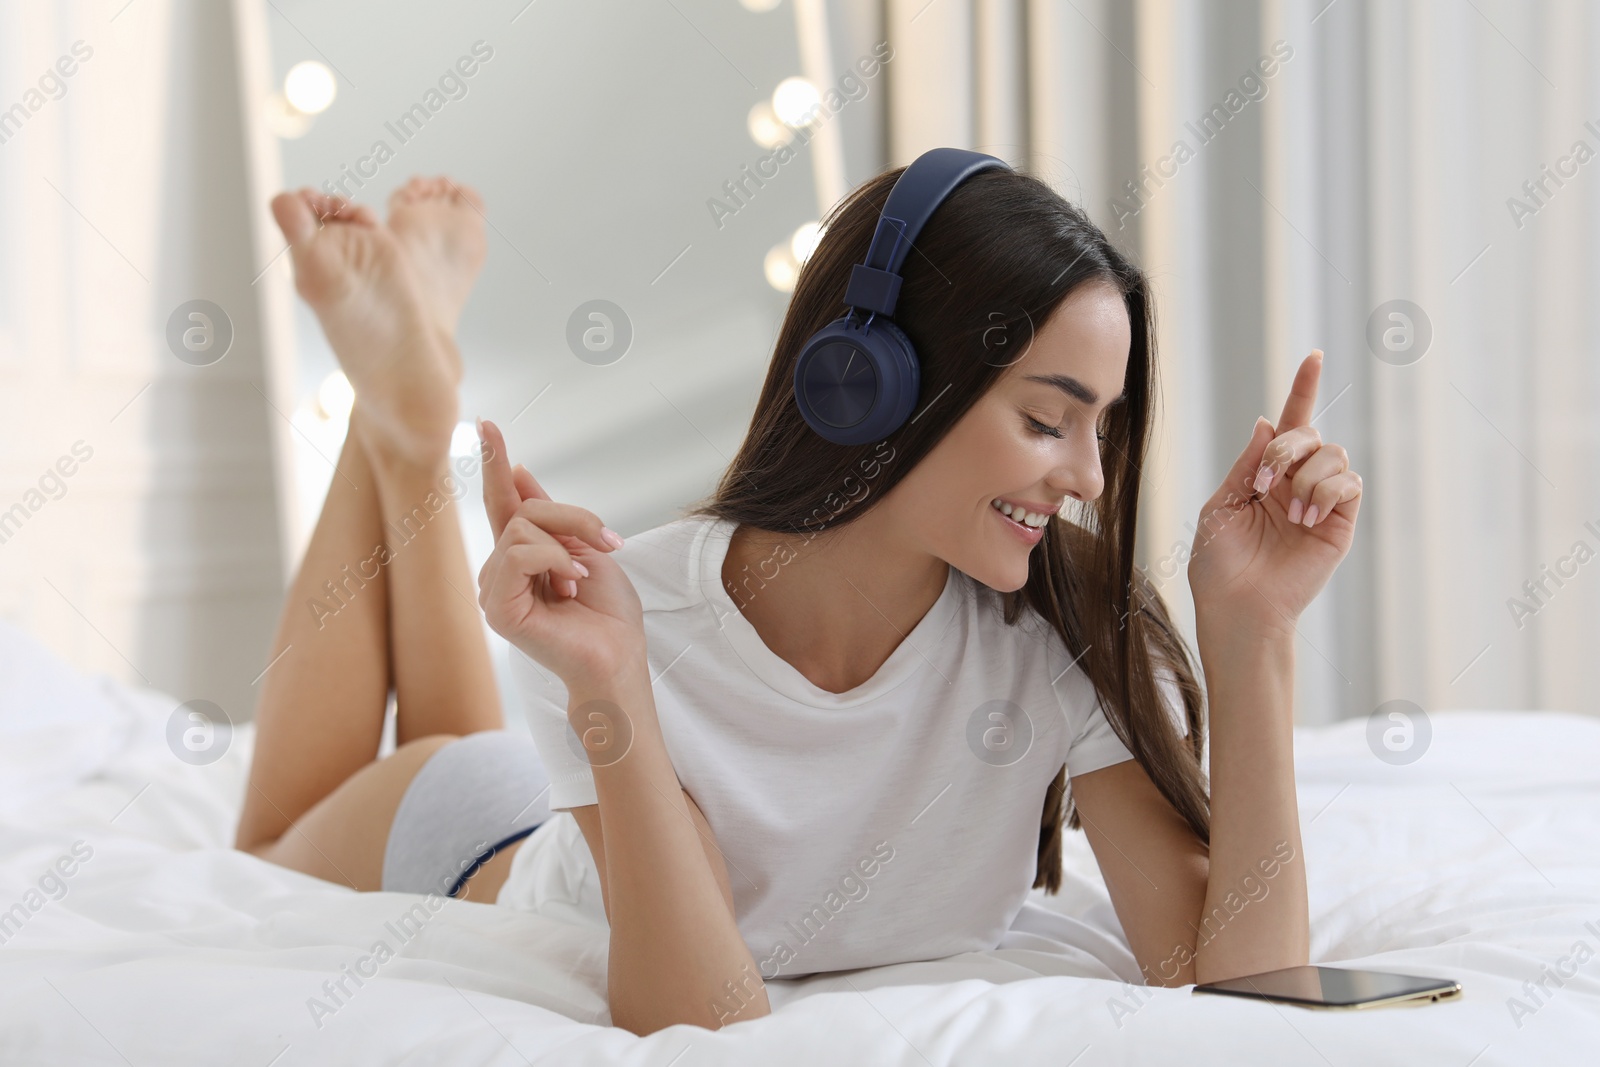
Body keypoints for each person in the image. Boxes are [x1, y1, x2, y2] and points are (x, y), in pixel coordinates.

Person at [237, 159, 1363, 1039]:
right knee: (268, 841)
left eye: (1100, 426)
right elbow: (699, 1015)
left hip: (536, 796)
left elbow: (1233, 979)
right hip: (477, 841)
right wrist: (615, 683)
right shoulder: (637, 613)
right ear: (871, 381)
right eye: (1045, 418)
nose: (1087, 478)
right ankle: (397, 422)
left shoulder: (1058, 629)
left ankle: (406, 411)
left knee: (445, 724)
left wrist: (1250, 629)